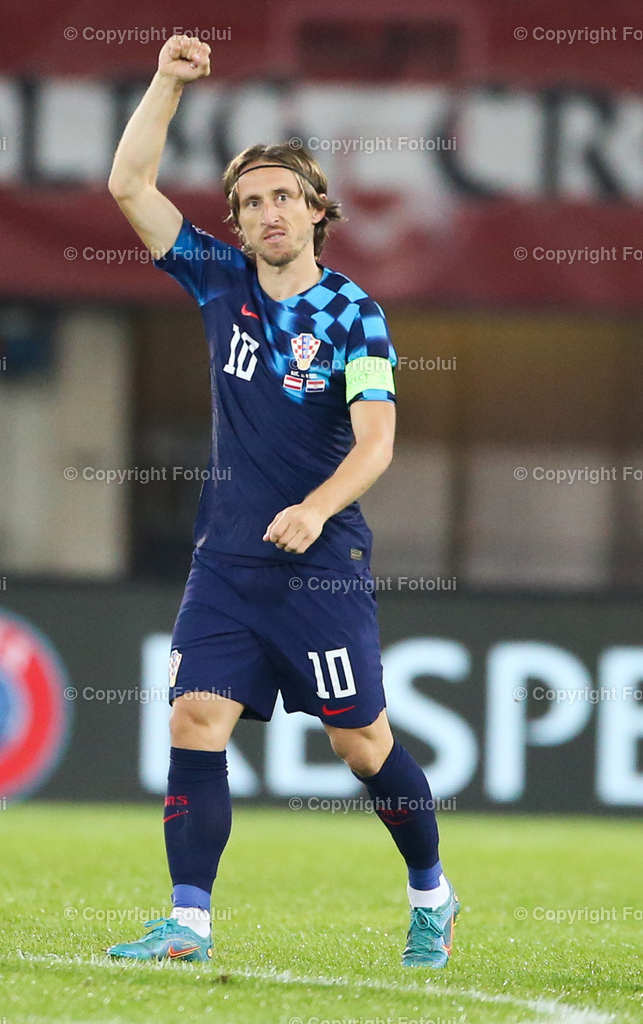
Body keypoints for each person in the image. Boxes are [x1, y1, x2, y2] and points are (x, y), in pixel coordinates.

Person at [106, 34, 458, 969]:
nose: (268, 212)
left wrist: (313, 509)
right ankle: (189, 923)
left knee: (362, 745)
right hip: (226, 560)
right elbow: (129, 186)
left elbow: (377, 443)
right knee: (194, 719)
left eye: (284, 197)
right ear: (237, 222)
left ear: (316, 210)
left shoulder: (355, 315)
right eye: (252, 201)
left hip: (320, 564)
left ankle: (432, 893)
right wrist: (166, 83)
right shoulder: (218, 281)